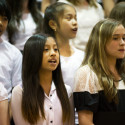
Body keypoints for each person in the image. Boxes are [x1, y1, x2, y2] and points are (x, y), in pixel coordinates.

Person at [11, 34, 74, 125]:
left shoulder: (67, 91)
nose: (53, 53)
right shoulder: (20, 92)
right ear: (32, 55)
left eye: (56, 49)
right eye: (46, 49)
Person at [73, 18, 125, 125]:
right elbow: (85, 121)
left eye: (124, 38)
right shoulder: (87, 73)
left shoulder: (123, 71)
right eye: (115, 38)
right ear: (100, 42)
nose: (122, 43)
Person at [0, 0, 22, 101]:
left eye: (4, 19)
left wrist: (7, 115)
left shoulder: (14, 53)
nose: (0, 23)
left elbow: (17, 90)